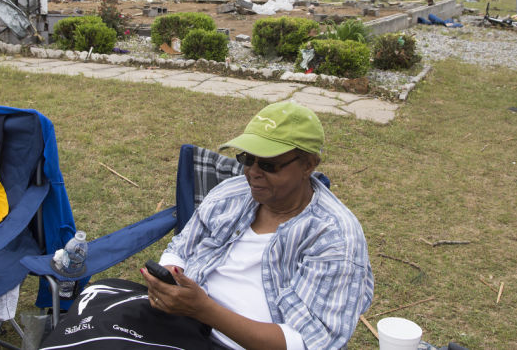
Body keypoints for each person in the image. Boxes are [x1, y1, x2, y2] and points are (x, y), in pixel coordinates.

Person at [141, 100, 374, 349]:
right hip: (183, 326)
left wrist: (203, 310)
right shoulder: (231, 193)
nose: (252, 172)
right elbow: (181, 248)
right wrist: (169, 277)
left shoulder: (334, 237)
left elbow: (309, 343)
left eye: (268, 164)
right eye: (247, 158)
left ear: (308, 165)